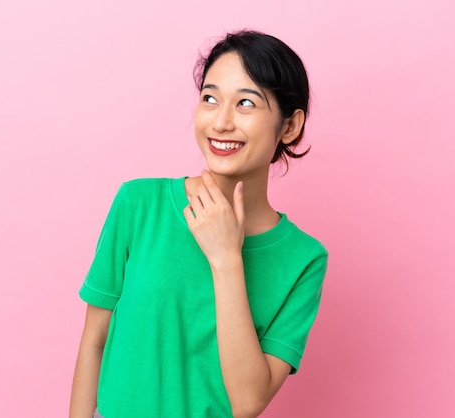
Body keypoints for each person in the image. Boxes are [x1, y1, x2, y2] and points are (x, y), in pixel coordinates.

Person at [69, 30, 328, 418]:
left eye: (245, 103)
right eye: (210, 98)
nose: (221, 122)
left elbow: (247, 402)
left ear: (289, 127)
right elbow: (94, 341)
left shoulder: (304, 259)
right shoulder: (139, 204)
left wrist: (227, 259)